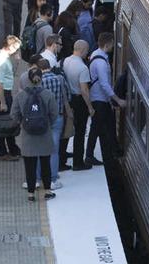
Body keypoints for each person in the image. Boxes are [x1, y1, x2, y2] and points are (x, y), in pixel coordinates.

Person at [11, 67, 58, 202]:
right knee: (45, 164)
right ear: (40, 78)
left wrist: (23, 123)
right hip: (44, 134)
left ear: (28, 79)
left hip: (28, 136)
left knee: (30, 166)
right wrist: (46, 123)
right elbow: (54, 114)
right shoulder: (48, 94)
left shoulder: (21, 96)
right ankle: (48, 191)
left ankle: (31, 194)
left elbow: (14, 114)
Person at [85, 32, 125, 166]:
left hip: (101, 100)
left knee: (109, 125)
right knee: (96, 128)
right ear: (107, 44)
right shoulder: (101, 63)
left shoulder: (96, 55)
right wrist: (117, 100)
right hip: (99, 100)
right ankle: (89, 156)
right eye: (113, 44)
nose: (113, 46)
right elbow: (104, 84)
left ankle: (115, 150)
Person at [37, 58, 69, 188]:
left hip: (42, 119)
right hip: (57, 118)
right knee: (54, 150)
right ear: (49, 67)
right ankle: (53, 179)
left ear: (39, 69)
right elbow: (67, 96)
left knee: (39, 149)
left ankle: (38, 178)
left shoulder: (38, 83)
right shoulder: (59, 79)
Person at [63, 40, 94, 170]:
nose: (87, 53)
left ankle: (62, 158)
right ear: (82, 50)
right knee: (80, 132)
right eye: (86, 51)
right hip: (80, 101)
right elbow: (84, 90)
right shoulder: (83, 68)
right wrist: (90, 107)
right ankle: (78, 162)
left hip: (69, 99)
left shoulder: (65, 61)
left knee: (67, 128)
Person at [0, 35, 22, 161]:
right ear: (11, 47)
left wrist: (17, 60)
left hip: (4, 93)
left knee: (7, 123)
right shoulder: (0, 61)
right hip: (1, 95)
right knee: (2, 124)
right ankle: (3, 152)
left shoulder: (4, 58)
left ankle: (12, 149)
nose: (18, 51)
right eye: (17, 48)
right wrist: (2, 102)